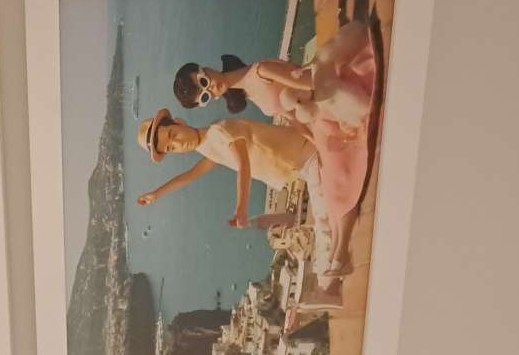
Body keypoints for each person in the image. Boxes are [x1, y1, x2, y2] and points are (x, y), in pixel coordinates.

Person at [134, 108, 357, 287]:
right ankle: (331, 274)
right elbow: (189, 176)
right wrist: (156, 194)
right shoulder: (208, 147)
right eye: (171, 148)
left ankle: (332, 275)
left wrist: (241, 208)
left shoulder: (220, 131)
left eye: (173, 135)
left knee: (324, 221)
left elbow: (244, 165)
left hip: (308, 154)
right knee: (324, 220)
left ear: (180, 122)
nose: (178, 143)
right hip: (303, 165)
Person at [172, 20, 375, 135]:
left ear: (206, 70)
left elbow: (312, 81)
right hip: (322, 114)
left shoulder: (261, 70)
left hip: (332, 89)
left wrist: (338, 116)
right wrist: (315, 141)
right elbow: (292, 117)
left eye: (204, 82)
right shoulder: (248, 94)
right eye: (205, 96)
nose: (212, 89)